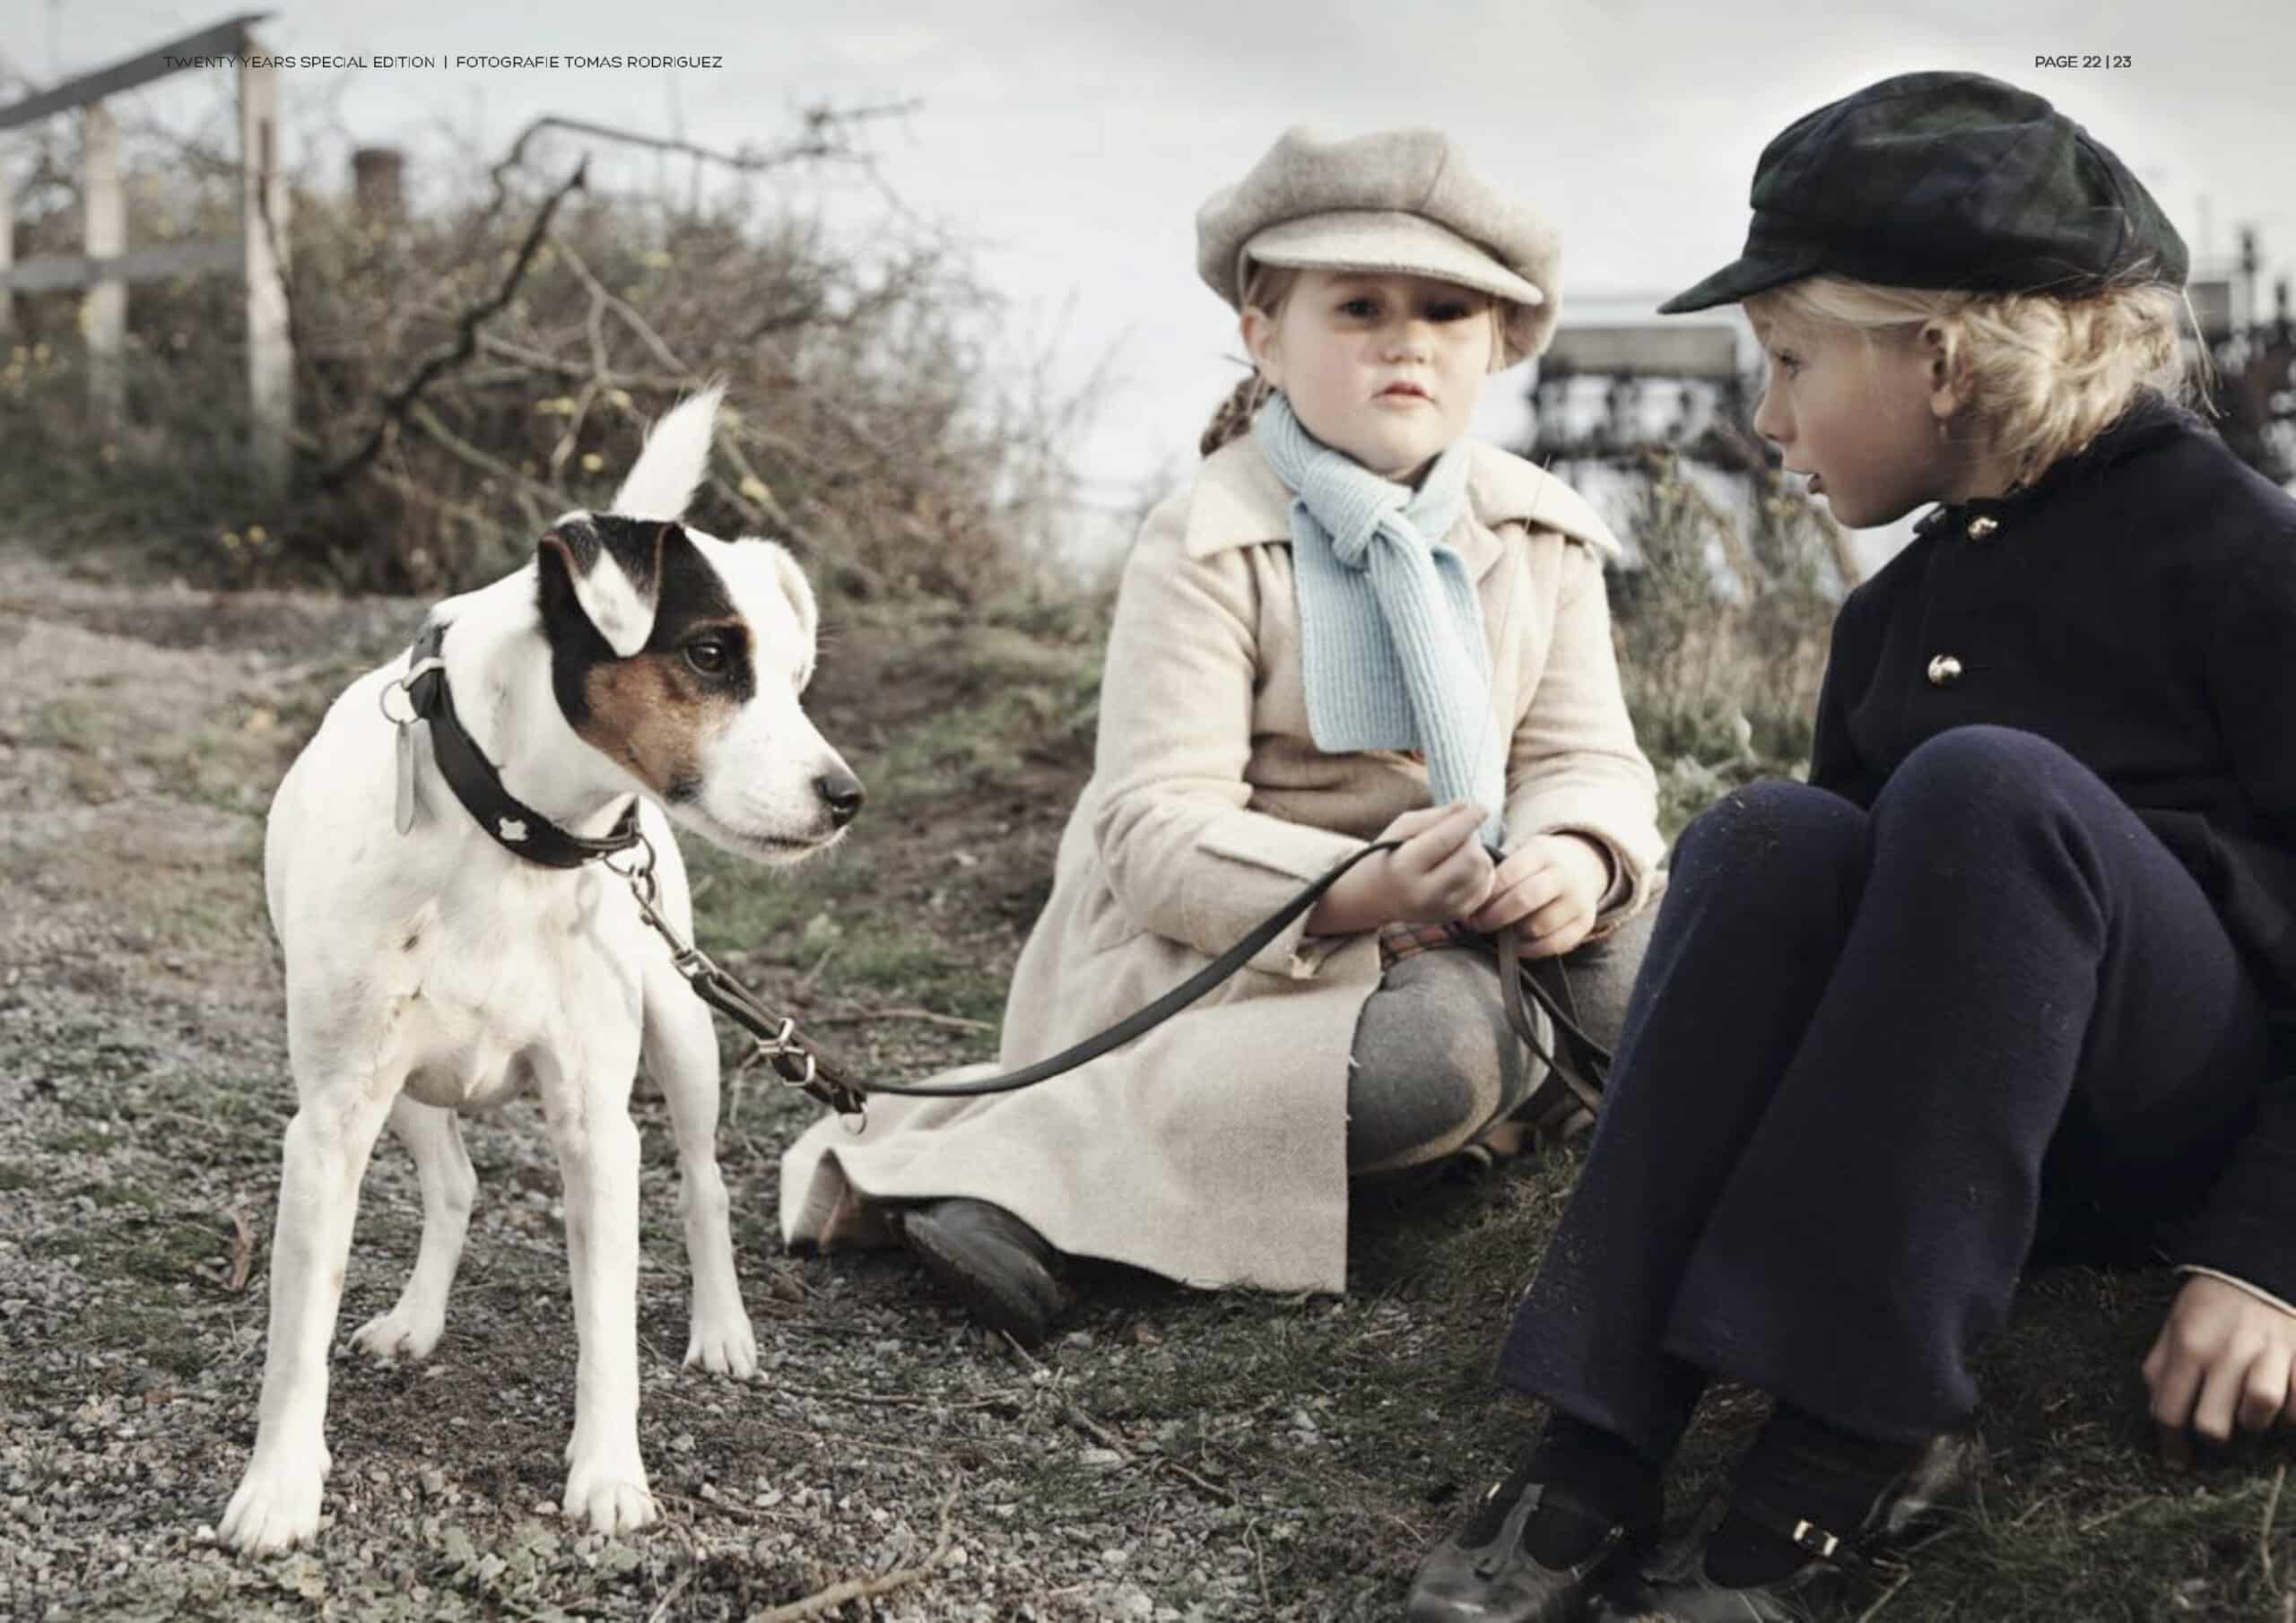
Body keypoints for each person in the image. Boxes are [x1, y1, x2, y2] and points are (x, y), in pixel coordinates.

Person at [1405, 70, 2296, 1623]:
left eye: (1790, 360)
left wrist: (2268, 1253)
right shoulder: (1894, 615)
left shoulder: (2236, 550)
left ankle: (1859, 1444)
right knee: (1768, 834)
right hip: (1968, 1154)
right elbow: (1831, 972)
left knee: (1983, 792)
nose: (1766, 419)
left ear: (1943, 358)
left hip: (2178, 1117)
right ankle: (1598, 1431)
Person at [778, 126, 1665, 1345]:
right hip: (1239, 950)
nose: (1406, 337)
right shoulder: (1207, 536)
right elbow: (1154, 830)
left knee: (1668, 953)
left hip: (1479, 912)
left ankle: (1478, 1095)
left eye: (1448, 311)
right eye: (1359, 305)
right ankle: (1030, 1171)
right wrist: (1364, 887)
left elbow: (1585, 758)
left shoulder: (1541, 534)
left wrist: (1570, 858)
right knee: (1441, 1053)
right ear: (1266, 333)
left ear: (1499, 344)